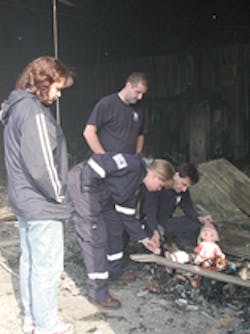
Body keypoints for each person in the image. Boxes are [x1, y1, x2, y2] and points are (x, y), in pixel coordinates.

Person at [0, 56, 74, 334]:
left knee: (30, 262)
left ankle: (31, 318)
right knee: (47, 268)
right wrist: (60, 195)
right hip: (41, 204)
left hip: (23, 200)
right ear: (43, 83)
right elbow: (42, 164)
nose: (58, 94)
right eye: (57, 87)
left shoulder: (15, 108)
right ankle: (47, 325)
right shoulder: (33, 113)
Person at [68, 153, 174, 309]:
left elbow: (127, 215)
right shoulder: (131, 164)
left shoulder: (136, 183)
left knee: (116, 228)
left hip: (103, 197)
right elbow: (97, 163)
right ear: (155, 176)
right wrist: (88, 190)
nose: (158, 190)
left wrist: (144, 239)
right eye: (160, 186)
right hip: (84, 189)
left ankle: (113, 271)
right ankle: (98, 293)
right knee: (95, 238)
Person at [140, 162, 213, 248]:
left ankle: (178, 242)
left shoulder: (182, 191)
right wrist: (155, 231)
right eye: (183, 184)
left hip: (167, 222)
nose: (184, 189)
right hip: (151, 223)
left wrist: (199, 218)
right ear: (176, 175)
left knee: (197, 225)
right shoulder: (156, 186)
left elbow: (188, 208)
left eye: (187, 187)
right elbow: (150, 213)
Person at [83, 72, 148, 154]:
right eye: (137, 92)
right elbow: (89, 132)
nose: (140, 97)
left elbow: (140, 134)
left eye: (142, 94)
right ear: (128, 85)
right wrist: (104, 157)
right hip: (108, 162)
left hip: (130, 162)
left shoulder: (140, 108)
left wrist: (137, 155)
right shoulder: (107, 104)